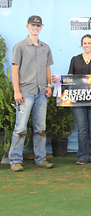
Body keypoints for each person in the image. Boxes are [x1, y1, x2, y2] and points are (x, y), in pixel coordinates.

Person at [9, 15, 54, 172]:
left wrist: (49, 85)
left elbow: (47, 68)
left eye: (38, 26)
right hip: (25, 92)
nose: (36, 28)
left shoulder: (45, 47)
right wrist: (16, 91)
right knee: (20, 127)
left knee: (40, 128)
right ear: (27, 26)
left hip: (41, 93)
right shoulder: (20, 46)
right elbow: (15, 69)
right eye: (33, 25)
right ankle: (15, 160)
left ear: (41, 28)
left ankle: (41, 159)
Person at [53, 34, 91, 165]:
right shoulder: (75, 59)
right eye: (84, 43)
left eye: (89, 43)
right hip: (78, 99)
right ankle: (82, 156)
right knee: (82, 128)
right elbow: (70, 76)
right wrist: (60, 80)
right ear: (81, 45)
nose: (87, 45)